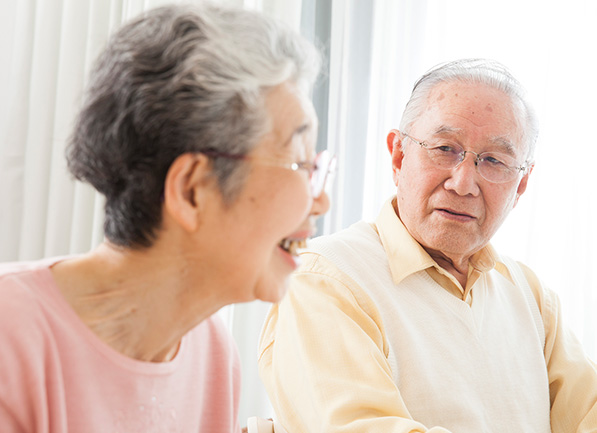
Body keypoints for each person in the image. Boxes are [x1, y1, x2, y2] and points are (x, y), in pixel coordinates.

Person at [0, 3, 332, 432]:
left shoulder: (212, 353)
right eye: (302, 163)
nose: (320, 203)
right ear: (192, 189)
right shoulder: (10, 337)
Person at [258, 58, 597, 432]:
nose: (463, 182)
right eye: (444, 149)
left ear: (521, 185)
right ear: (398, 156)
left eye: (493, 160)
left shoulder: (531, 297)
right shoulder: (325, 279)